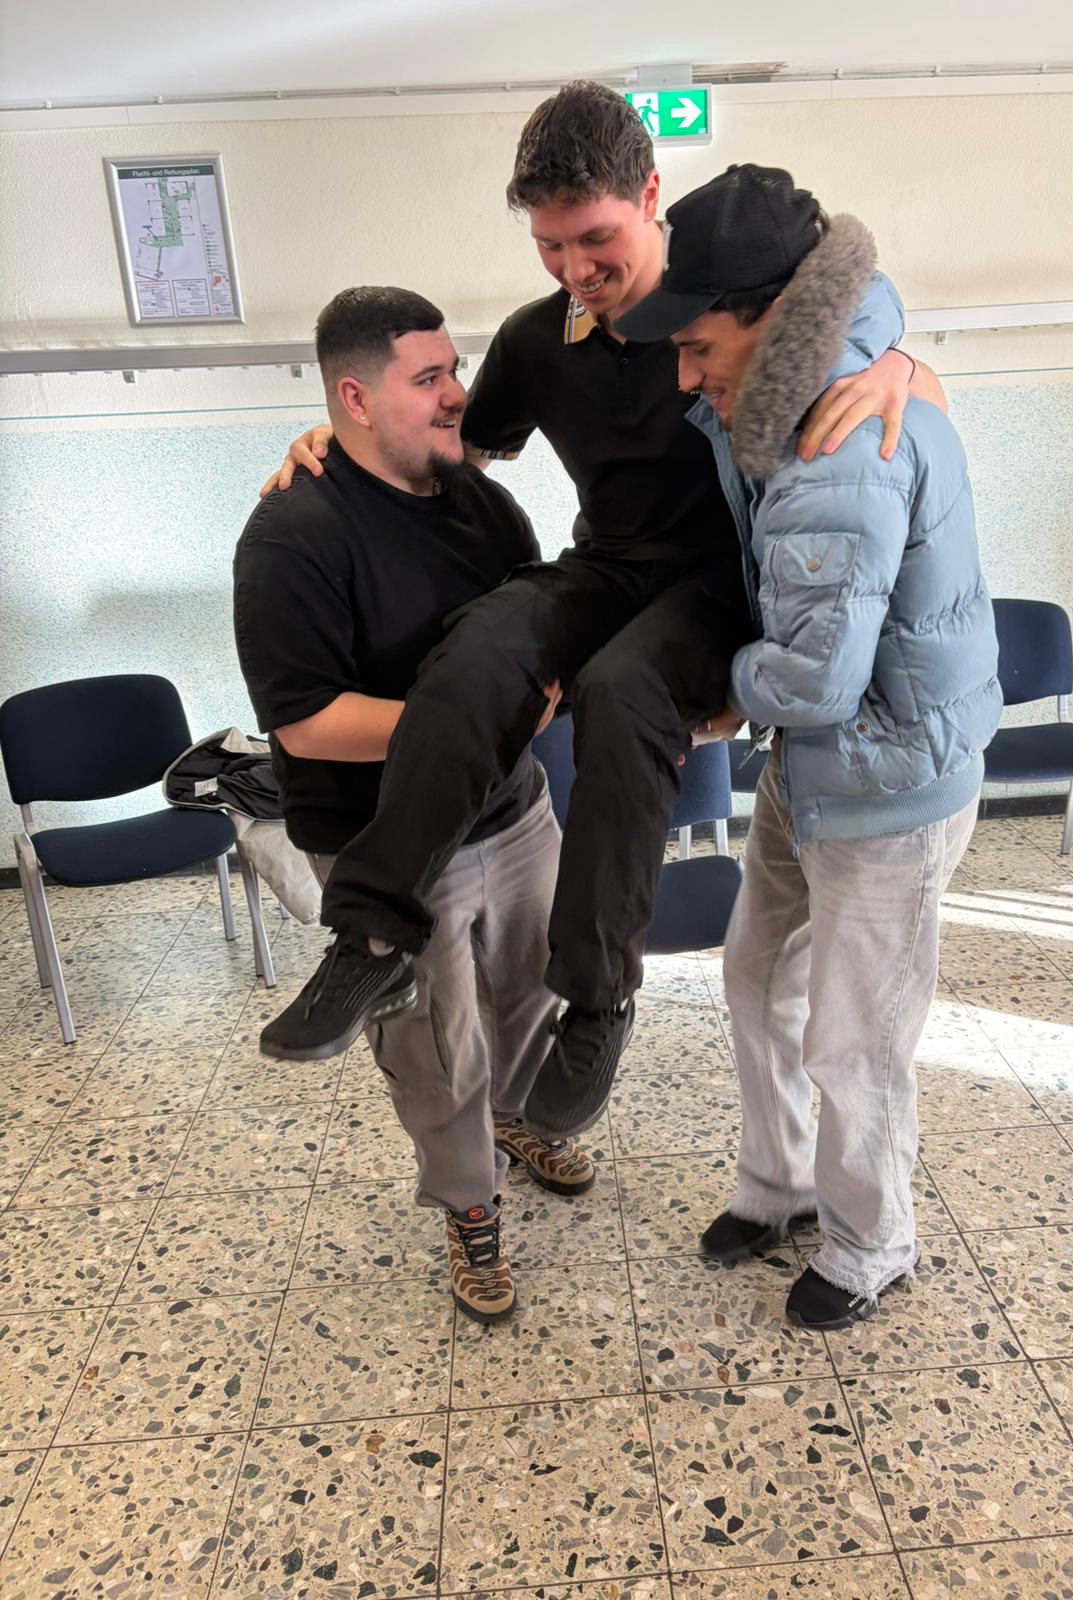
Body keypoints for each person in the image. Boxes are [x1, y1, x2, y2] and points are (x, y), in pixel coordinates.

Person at [258, 84, 943, 1140]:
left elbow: (853, 298)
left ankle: (596, 997)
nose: (574, 267)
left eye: (593, 239)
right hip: (608, 567)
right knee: (480, 647)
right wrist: (332, 440)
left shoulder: (720, 303)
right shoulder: (540, 340)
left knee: (623, 689)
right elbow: (453, 441)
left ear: (650, 197)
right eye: (549, 244)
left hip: (717, 589)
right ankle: (373, 936)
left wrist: (903, 364)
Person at [616, 164, 1003, 1331]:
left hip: (886, 781)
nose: (685, 373)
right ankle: (779, 1184)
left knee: (856, 1034)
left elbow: (820, 681)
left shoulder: (833, 446)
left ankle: (871, 1240)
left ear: (776, 313)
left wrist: (712, 692)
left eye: (698, 344)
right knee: (757, 971)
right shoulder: (813, 379)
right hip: (826, 766)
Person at [234, 285, 595, 1326]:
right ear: (354, 400)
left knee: (531, 991)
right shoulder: (293, 536)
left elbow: (539, 640)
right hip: (385, 848)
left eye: (455, 370)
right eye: (428, 378)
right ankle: (469, 1202)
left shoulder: (483, 506)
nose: (457, 396)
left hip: (515, 813)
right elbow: (307, 724)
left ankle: (516, 1120)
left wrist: (536, 699)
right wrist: (463, 720)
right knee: (435, 1048)